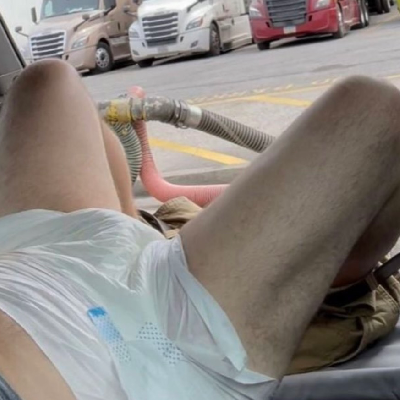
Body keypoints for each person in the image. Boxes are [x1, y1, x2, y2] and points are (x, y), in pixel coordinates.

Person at [0, 59, 400, 400]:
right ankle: (323, 288)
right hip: (147, 354)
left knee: (47, 81)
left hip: (32, 258)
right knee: (375, 110)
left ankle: (137, 237)